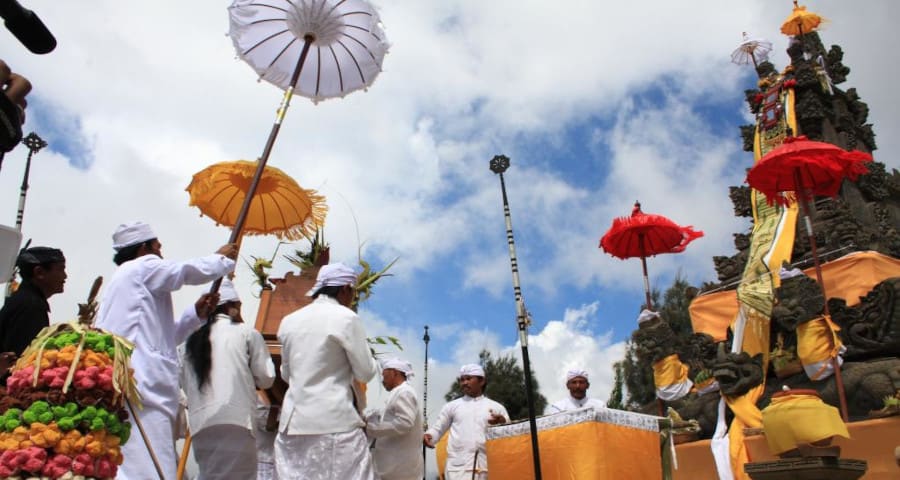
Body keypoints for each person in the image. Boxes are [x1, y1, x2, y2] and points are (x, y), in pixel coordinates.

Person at [94, 221, 236, 480]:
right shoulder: (141, 266)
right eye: (157, 247)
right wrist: (220, 260)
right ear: (143, 249)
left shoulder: (128, 280)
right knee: (148, 463)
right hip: (143, 385)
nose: (161, 253)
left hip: (135, 384)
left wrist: (195, 314)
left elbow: (163, 338)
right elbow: (184, 272)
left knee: (137, 459)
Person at [275, 262, 378, 480]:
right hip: (334, 424)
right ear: (345, 289)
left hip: (293, 426)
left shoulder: (288, 321)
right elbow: (365, 373)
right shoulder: (346, 317)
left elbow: (285, 374)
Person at [181, 278, 275, 480]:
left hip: (200, 426)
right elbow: (266, 378)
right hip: (237, 422)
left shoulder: (188, 340)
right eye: (239, 306)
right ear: (231, 307)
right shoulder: (246, 333)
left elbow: (183, 384)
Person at [423, 364, 509, 480]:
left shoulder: (497, 407)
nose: (464, 383)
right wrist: (429, 436)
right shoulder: (451, 406)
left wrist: (502, 422)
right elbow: (438, 428)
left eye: (468, 379)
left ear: (482, 381)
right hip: (458, 469)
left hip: (487, 467)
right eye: (462, 380)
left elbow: (509, 435)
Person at [365, 357, 424, 480]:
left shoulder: (404, 392)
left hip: (400, 470)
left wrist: (371, 427)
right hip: (394, 469)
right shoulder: (399, 393)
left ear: (394, 373)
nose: (382, 380)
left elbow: (404, 423)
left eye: (384, 375)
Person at [0, 246, 65, 355]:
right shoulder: (30, 306)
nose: (65, 276)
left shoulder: (24, 300)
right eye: (60, 269)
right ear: (39, 273)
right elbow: (24, 358)